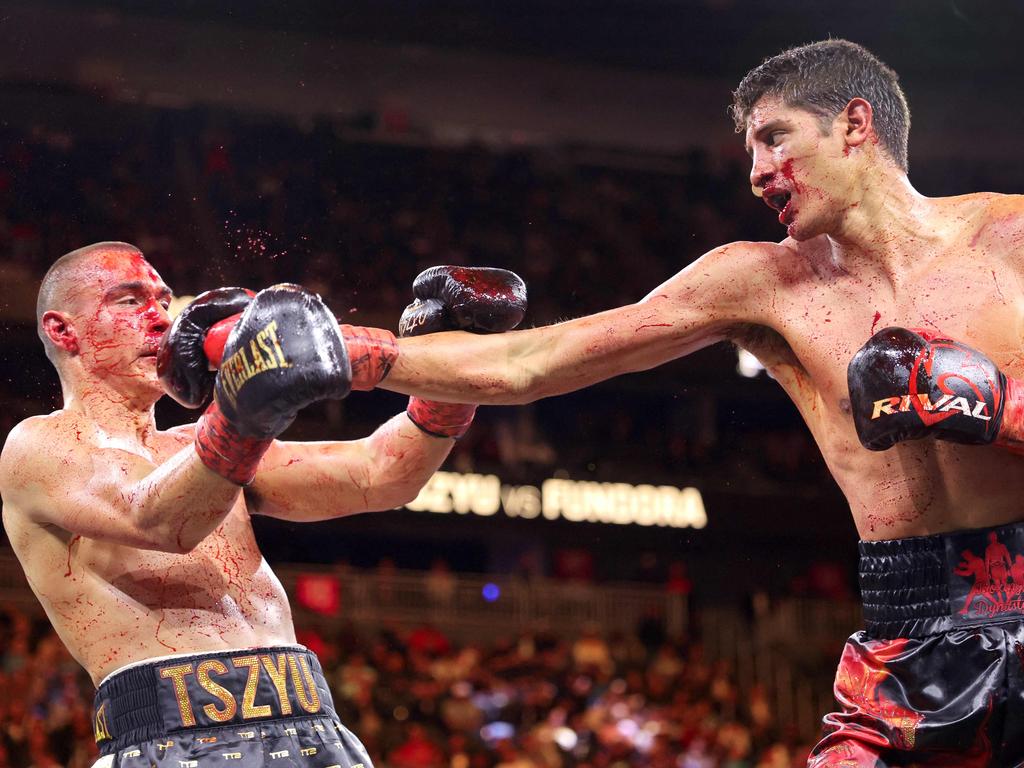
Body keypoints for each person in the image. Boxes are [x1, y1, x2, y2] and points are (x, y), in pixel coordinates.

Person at [355, 40, 1024, 765]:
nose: (758, 172)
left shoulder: (1010, 238)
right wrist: (347, 355)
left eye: (774, 138)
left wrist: (995, 402)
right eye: (748, 152)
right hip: (904, 641)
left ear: (855, 125)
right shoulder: (760, 281)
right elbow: (534, 361)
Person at [0, 241, 523, 765]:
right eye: (130, 301)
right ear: (61, 329)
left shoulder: (198, 447)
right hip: (177, 739)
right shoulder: (39, 447)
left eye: (163, 301)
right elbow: (158, 520)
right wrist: (245, 408)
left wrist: (453, 369)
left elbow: (382, 475)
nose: (160, 319)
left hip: (315, 729)